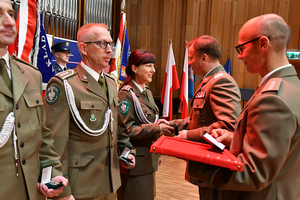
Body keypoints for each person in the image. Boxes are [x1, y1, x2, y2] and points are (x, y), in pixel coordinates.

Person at [188, 14, 300, 200]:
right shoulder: (291, 85)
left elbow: (254, 172)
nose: (239, 56)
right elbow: (280, 146)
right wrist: (234, 139)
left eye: (242, 48)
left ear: (263, 43)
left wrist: (198, 164)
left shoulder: (274, 99)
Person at [43, 23, 136, 200]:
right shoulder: (64, 84)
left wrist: (127, 149)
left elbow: (116, 126)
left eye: (111, 44)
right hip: (81, 185)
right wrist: (62, 191)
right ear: (83, 48)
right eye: (102, 44)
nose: (109, 50)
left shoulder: (110, 82)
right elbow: (54, 142)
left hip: (110, 180)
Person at [0, 0, 68, 199]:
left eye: (11, 14)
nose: (10, 22)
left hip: (32, 192)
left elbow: (43, 135)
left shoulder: (31, 74)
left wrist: (52, 171)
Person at [175, 35, 241, 199]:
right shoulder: (209, 81)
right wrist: (174, 124)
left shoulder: (221, 82)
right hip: (205, 163)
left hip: (214, 166)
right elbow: (199, 118)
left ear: (204, 58)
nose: (189, 63)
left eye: (191, 58)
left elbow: (227, 126)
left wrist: (188, 135)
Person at [117, 49, 180, 200]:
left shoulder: (147, 92)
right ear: (134, 68)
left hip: (147, 158)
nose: (153, 70)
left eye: (153, 66)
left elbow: (149, 121)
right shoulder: (126, 94)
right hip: (134, 162)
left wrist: (156, 152)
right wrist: (157, 127)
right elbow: (126, 131)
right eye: (148, 66)